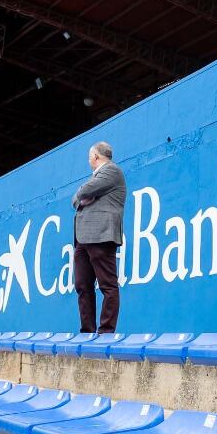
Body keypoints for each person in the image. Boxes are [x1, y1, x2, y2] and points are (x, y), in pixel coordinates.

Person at [72, 142, 126, 333]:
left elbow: (83, 193)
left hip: (101, 236)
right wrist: (84, 194)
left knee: (107, 285)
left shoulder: (111, 171)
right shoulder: (97, 178)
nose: (89, 160)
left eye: (89, 156)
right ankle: (87, 331)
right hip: (83, 239)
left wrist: (84, 193)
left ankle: (106, 331)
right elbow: (75, 200)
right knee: (82, 285)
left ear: (95, 156)